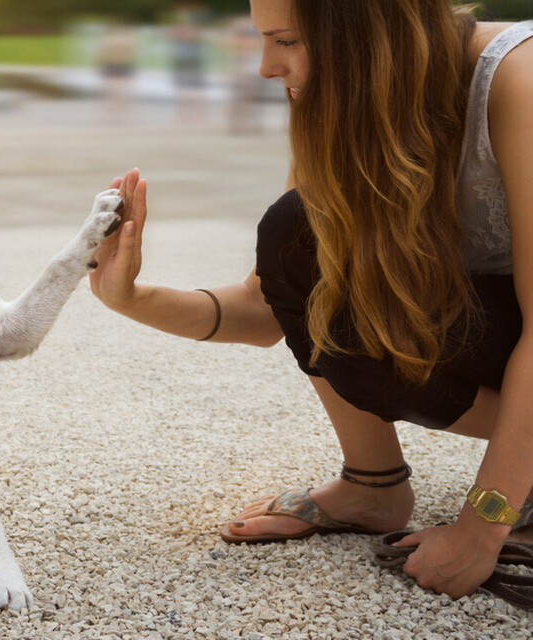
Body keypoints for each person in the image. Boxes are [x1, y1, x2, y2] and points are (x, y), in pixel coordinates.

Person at [90, 0, 533, 600]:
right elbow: (271, 305)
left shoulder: (519, 78)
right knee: (298, 234)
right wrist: (131, 298)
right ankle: (373, 485)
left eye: (286, 41)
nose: (266, 68)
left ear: (365, 33)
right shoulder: (360, 109)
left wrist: (481, 529)